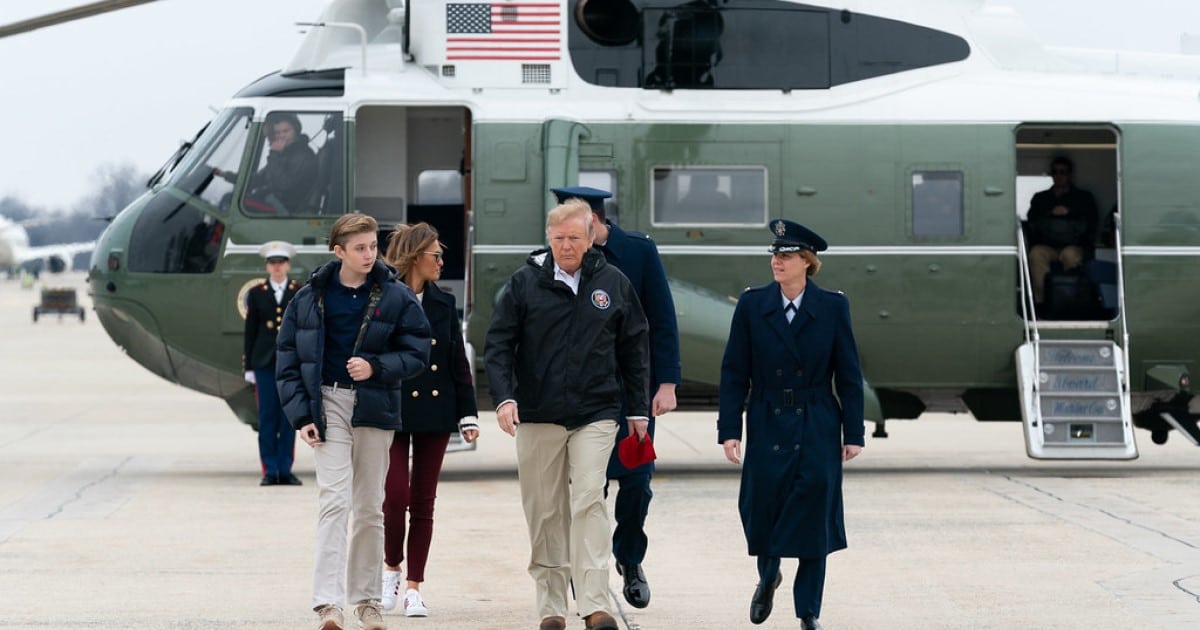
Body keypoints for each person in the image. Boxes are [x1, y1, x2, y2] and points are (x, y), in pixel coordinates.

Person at [484, 199, 650, 630]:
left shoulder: (613, 282)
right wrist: (504, 399)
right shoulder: (524, 284)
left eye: (574, 238)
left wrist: (637, 410)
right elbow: (498, 345)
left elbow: (634, 349)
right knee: (544, 511)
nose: (566, 246)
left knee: (589, 500)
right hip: (537, 414)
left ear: (591, 235)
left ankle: (595, 602)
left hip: (596, 411)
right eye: (558, 238)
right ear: (548, 238)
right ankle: (552, 606)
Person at [276, 212, 431, 630]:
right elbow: (288, 358)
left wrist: (376, 367)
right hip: (328, 405)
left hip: (375, 406)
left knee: (368, 507)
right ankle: (328, 604)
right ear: (338, 250)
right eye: (359, 248)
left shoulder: (396, 296)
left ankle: (366, 600)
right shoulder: (308, 297)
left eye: (373, 247)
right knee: (334, 501)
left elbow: (418, 352)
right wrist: (301, 415)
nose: (369, 254)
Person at [717, 219, 864, 630]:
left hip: (816, 419)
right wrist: (729, 428)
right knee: (762, 507)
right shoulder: (752, 304)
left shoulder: (833, 306)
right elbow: (733, 373)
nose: (777, 261)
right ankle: (768, 577)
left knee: (815, 514)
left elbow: (849, 373)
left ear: (807, 262)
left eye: (786, 255)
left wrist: (854, 432)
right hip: (765, 416)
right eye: (775, 255)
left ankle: (808, 612)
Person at [550, 186, 681, 610]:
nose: (566, 239)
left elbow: (662, 319)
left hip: (633, 392)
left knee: (638, 483)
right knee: (586, 487)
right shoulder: (557, 257)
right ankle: (584, 567)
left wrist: (667, 383)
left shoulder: (639, 252)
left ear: (593, 220)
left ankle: (630, 558)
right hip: (580, 394)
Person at [378, 223, 480, 617]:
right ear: (415, 255)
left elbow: (458, 363)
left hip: (436, 411)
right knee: (394, 498)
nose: (441, 261)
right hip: (392, 406)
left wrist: (467, 414)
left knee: (423, 501)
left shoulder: (443, 303)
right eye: (435, 255)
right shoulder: (383, 297)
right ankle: (390, 570)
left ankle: (414, 586)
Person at [242, 240, 302, 486]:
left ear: (288, 265)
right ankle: (270, 469)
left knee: (288, 419)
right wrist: (248, 367)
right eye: (273, 263)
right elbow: (250, 331)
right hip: (264, 364)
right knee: (267, 417)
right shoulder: (257, 294)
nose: (277, 267)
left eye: (281, 262)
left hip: (290, 365)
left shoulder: (297, 292)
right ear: (267, 266)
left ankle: (285, 469)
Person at [1025, 156, 1099, 306]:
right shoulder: (1040, 198)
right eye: (1054, 172)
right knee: (1036, 253)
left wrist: (1069, 212)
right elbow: (1032, 222)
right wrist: (1050, 213)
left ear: (1070, 175)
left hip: (1074, 245)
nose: (1058, 176)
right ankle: (1041, 304)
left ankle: (1069, 302)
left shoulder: (1084, 197)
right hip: (1048, 246)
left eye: (1062, 172)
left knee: (1070, 255)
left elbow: (1091, 222)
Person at [217, 112, 318, 214]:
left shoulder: (303, 156)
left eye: (286, 131)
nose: (281, 136)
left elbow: (284, 185)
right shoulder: (284, 155)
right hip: (273, 201)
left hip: (285, 209)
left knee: (230, 200)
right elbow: (257, 180)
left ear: (296, 131)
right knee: (234, 197)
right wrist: (225, 175)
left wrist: (274, 154)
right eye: (277, 133)